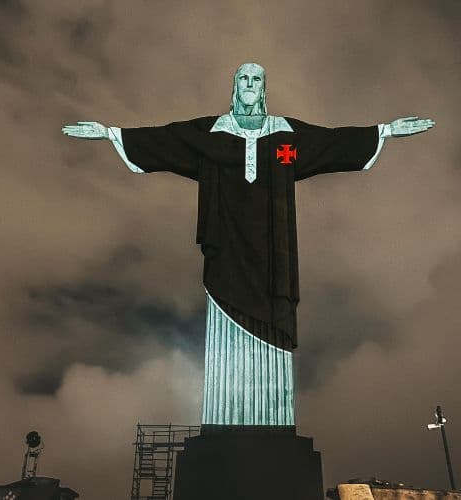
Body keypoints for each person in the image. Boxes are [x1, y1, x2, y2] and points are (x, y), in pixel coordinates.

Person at [62, 62, 434, 427]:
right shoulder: (211, 133)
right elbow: (164, 139)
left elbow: (333, 141)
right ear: (235, 86)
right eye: (244, 77)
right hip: (226, 249)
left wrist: (384, 130)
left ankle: (270, 415)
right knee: (226, 297)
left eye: (257, 78)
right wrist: (112, 133)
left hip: (275, 257)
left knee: (273, 310)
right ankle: (226, 415)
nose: (250, 83)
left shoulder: (284, 134)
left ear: (264, 87)